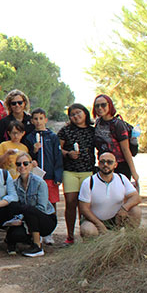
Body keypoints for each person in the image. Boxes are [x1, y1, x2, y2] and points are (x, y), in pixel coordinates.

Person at [79, 152, 141, 238]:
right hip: (94, 220)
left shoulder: (121, 178)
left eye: (109, 162)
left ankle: (129, 240)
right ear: (98, 164)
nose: (105, 165)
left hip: (117, 218)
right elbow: (84, 208)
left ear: (115, 165)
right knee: (87, 229)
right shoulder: (89, 182)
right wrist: (99, 224)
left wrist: (124, 208)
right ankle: (94, 248)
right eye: (102, 162)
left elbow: (136, 197)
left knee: (135, 211)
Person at [24, 108, 63, 245]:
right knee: (36, 203)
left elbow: (58, 157)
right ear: (32, 120)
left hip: (50, 176)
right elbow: (26, 157)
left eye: (41, 118)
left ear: (46, 119)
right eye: (35, 119)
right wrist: (33, 152)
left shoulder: (52, 137)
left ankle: (49, 231)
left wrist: (58, 176)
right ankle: (37, 231)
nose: (38, 121)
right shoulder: (29, 137)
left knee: (51, 203)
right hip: (35, 176)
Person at [57, 103, 95, 244]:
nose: (76, 116)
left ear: (85, 113)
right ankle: (70, 236)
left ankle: (86, 233)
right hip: (70, 172)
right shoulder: (65, 131)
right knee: (71, 203)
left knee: (85, 204)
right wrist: (67, 153)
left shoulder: (93, 131)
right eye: (72, 114)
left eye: (78, 112)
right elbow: (57, 148)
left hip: (87, 171)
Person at [13, 152, 57, 257]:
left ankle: (37, 246)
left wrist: (23, 216)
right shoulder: (14, 184)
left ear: (31, 165)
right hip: (26, 219)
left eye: (25, 163)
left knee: (28, 209)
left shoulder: (39, 182)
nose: (22, 166)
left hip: (46, 219)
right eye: (19, 164)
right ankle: (27, 240)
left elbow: (42, 207)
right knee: (15, 235)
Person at [92, 94, 138, 184]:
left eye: (103, 105)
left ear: (110, 105)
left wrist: (133, 172)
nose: (100, 108)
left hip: (120, 165)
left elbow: (125, 149)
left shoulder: (118, 124)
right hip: (104, 166)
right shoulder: (98, 123)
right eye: (97, 106)